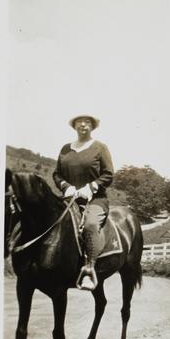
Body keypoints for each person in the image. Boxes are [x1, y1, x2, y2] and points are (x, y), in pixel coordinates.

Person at [53, 114, 114, 290]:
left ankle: (89, 270)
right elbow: (57, 173)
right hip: (69, 198)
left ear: (92, 126)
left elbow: (109, 174)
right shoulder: (65, 149)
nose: (83, 125)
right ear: (74, 125)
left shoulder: (100, 148)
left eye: (88, 122)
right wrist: (65, 186)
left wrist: (92, 186)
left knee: (90, 225)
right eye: (79, 121)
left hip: (95, 199)